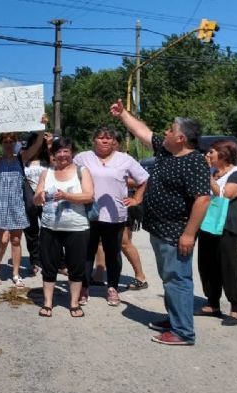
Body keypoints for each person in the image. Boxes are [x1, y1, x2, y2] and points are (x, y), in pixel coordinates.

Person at [111, 99, 209, 346]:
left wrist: (188, 234)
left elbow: (203, 200)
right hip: (160, 230)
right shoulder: (167, 151)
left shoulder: (194, 161)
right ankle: (176, 318)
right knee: (170, 278)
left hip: (176, 234)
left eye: (170, 130)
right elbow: (142, 131)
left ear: (181, 139)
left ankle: (183, 332)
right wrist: (123, 114)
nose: (165, 132)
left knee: (178, 279)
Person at [75, 126, 149, 307]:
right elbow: (66, 173)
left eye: (108, 138)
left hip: (115, 216)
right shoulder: (82, 157)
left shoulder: (125, 159)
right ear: (94, 140)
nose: (105, 141)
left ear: (113, 141)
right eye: (100, 137)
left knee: (113, 253)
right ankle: (84, 288)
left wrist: (136, 198)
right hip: (87, 214)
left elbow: (144, 178)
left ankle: (113, 288)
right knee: (86, 253)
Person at [0, 115, 48, 287]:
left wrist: (41, 127)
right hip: (1, 205)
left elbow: (38, 143)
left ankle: (16, 274)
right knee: (3, 240)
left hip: (17, 205)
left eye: (11, 142)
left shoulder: (21, 159)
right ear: (1, 144)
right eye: (5, 142)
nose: (8, 145)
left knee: (16, 240)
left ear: (16, 143)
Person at [34, 137, 94, 318]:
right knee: (49, 266)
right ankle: (47, 303)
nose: (62, 155)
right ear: (53, 155)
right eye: (58, 151)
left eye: (66, 151)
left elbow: (89, 196)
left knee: (76, 267)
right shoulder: (46, 173)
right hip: (49, 227)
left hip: (77, 227)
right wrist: (40, 196)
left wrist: (67, 196)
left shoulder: (82, 171)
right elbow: (36, 198)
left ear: (72, 153)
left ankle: (74, 304)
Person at [197, 140, 237, 326]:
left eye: (212, 152)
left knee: (228, 265)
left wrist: (206, 175)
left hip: (227, 226)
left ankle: (236, 310)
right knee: (207, 263)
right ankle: (212, 304)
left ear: (224, 155)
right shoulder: (212, 172)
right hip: (208, 223)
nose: (208, 156)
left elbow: (225, 195)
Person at [22, 130, 52, 277]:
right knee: (31, 233)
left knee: (49, 231)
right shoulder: (23, 159)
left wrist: (50, 143)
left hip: (47, 200)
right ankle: (34, 261)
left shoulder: (48, 160)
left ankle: (54, 260)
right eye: (34, 143)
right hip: (28, 201)